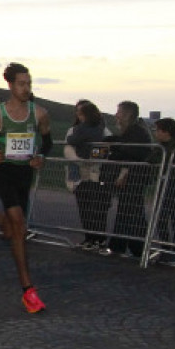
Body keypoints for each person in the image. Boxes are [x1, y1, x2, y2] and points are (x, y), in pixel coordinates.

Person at [0, 63, 52, 314]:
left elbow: (47, 141)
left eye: (29, 83)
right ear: (10, 85)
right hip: (5, 174)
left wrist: (41, 156)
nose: (26, 88)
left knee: (12, 230)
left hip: (24, 176)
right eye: (21, 83)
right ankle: (28, 290)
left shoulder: (39, 113)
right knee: (18, 226)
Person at [102, 101, 152, 258]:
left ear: (127, 114)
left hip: (134, 177)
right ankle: (129, 246)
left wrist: (113, 152)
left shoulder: (136, 133)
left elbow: (130, 152)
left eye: (119, 112)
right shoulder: (135, 131)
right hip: (133, 176)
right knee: (130, 210)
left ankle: (127, 246)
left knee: (131, 210)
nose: (116, 115)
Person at [65, 100, 112, 251]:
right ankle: (90, 238)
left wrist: (86, 160)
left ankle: (98, 239)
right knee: (85, 208)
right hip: (84, 175)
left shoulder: (97, 131)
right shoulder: (100, 130)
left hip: (96, 175)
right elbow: (68, 148)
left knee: (97, 209)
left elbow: (106, 149)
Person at [150, 118, 175, 262]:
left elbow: (159, 160)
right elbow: (152, 159)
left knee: (174, 217)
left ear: (165, 132)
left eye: (157, 130)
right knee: (161, 218)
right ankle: (166, 248)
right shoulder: (163, 146)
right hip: (165, 184)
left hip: (174, 185)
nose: (155, 133)